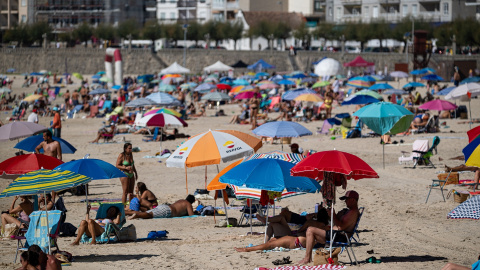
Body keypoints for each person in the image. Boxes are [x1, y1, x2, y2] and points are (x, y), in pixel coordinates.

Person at [297, 190, 361, 265]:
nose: (345, 201)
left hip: (340, 236)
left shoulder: (352, 213)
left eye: (346, 199)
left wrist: (333, 216)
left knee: (310, 230)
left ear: (353, 200)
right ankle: (308, 257)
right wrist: (335, 216)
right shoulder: (350, 211)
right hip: (337, 234)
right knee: (314, 229)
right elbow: (339, 224)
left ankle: (307, 258)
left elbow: (341, 227)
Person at [256, 207, 327, 241]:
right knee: (272, 223)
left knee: (281, 217)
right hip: (293, 235)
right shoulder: (324, 225)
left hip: (292, 235)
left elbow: (299, 231)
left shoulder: (311, 222)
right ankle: (265, 243)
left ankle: (266, 220)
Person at [128, 195, 195, 219]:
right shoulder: (188, 204)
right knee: (150, 214)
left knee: (147, 212)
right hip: (167, 211)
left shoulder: (181, 200)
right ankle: (136, 215)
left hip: (165, 207)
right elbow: (191, 215)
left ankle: (125, 212)